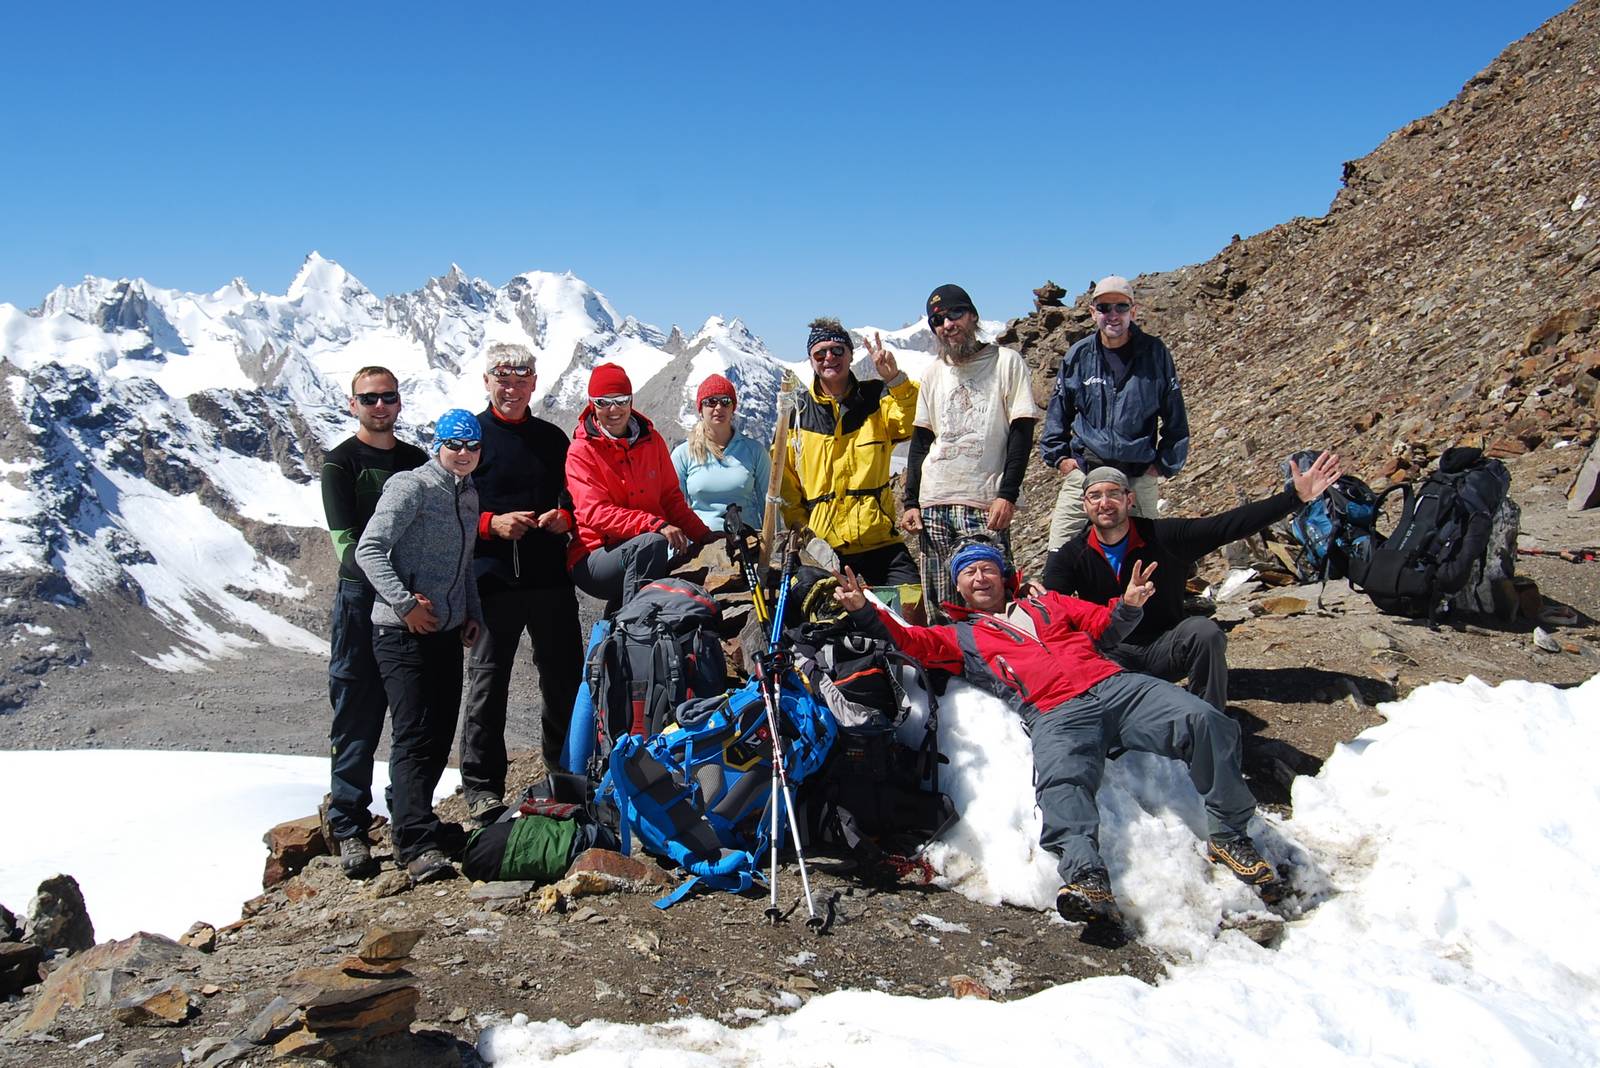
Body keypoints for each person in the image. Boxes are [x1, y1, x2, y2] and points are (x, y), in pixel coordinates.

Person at [832, 539, 1282, 927]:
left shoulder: (1049, 604)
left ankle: (1229, 835)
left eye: (987, 568)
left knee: (1206, 720)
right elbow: (911, 643)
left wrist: (1128, 605)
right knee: (1062, 781)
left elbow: (1105, 626)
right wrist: (865, 612)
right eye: (968, 573)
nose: (980, 577)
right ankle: (1086, 877)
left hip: (1114, 684)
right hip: (1054, 709)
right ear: (959, 588)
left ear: (1004, 576)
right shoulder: (959, 636)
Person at [1042, 455, 1343, 711]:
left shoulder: (1164, 537)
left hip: (1166, 648)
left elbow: (1226, 526)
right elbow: (1050, 610)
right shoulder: (1071, 555)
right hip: (1112, 658)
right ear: (1084, 505)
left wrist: (1294, 498)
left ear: (1129, 500)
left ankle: (1208, 719)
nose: (1105, 503)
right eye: (1095, 496)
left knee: (1204, 632)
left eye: (1113, 494)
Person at [356, 409, 485, 884]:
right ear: (438, 445)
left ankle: (418, 818)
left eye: (472, 446)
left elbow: (464, 563)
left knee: (438, 733)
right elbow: (368, 549)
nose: (464, 453)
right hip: (400, 632)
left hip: (445, 631)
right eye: (455, 445)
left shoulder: (468, 493)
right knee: (413, 734)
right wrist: (406, 603)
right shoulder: (411, 486)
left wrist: (471, 613)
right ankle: (412, 842)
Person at [460, 343, 584, 823]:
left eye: (520, 380)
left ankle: (564, 775)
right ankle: (481, 787)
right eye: (502, 380)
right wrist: (490, 524)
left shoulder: (551, 438)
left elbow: (575, 496)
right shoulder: (470, 438)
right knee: (488, 683)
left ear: (534, 383)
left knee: (564, 679)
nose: (511, 389)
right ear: (486, 382)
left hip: (549, 576)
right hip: (491, 580)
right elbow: (447, 504)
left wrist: (565, 517)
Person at [320, 366, 428, 879]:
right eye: (369, 399)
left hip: (410, 600)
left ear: (399, 402)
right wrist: (398, 592)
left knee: (412, 712)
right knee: (356, 708)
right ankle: (349, 826)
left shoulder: (415, 460)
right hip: (362, 599)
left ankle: (408, 815)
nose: (379, 406)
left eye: (387, 397)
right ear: (353, 404)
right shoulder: (339, 463)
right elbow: (345, 542)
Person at [901, 284, 1041, 622]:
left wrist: (1007, 494)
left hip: (982, 503)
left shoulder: (1005, 362)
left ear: (973, 316)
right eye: (937, 320)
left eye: (955, 314)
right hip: (933, 505)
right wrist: (911, 501)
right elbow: (921, 442)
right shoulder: (933, 373)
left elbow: (1021, 432)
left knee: (990, 601)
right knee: (941, 607)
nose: (947, 324)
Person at [1039, 275, 1190, 551]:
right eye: (1104, 307)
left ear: (1133, 310)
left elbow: (1175, 415)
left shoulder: (1154, 353)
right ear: (1092, 312)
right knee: (1059, 553)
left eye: (1121, 306)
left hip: (1137, 475)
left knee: (1146, 554)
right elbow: (1058, 411)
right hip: (1086, 471)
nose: (1113, 314)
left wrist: (1163, 465)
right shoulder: (1079, 355)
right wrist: (1060, 458)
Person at [781, 317, 919, 585]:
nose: (829, 358)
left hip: (880, 542)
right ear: (810, 360)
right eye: (820, 353)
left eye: (837, 350)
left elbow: (909, 422)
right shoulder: (796, 413)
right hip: (824, 548)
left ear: (850, 355)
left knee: (910, 604)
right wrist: (804, 531)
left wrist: (895, 380)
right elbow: (786, 483)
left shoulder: (877, 397)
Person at [567, 363, 711, 610]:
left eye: (621, 400)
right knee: (652, 543)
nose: (614, 409)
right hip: (594, 556)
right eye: (603, 402)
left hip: (641, 549)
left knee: (653, 546)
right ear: (592, 404)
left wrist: (705, 536)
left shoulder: (652, 441)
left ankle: (621, 622)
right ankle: (637, 623)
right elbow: (594, 512)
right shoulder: (582, 450)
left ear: (631, 401)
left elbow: (670, 499)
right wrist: (654, 524)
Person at [670, 373, 770, 533]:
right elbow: (674, 506)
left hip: (748, 540)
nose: (718, 407)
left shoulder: (755, 451)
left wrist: (775, 541)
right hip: (701, 541)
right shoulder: (682, 454)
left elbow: (769, 502)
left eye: (725, 401)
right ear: (701, 409)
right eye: (711, 402)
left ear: (733, 408)